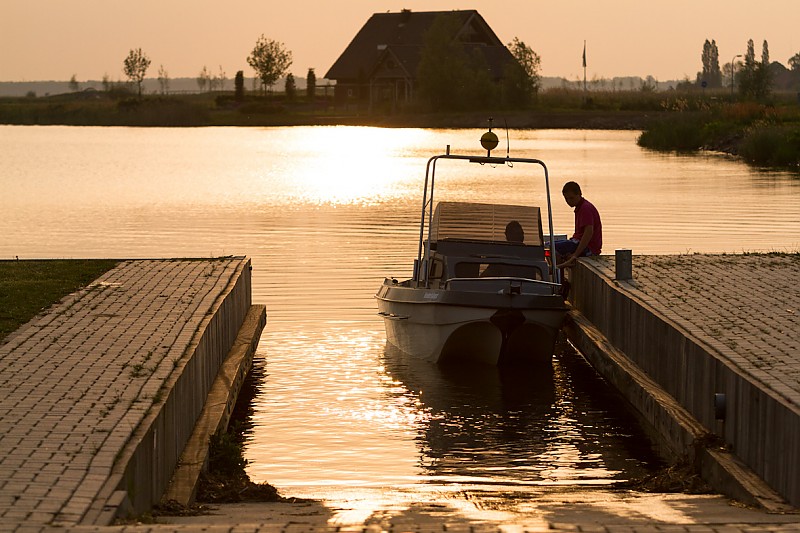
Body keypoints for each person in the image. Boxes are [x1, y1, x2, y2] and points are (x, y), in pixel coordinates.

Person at [554, 181, 602, 268]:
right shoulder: (580, 207)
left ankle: (557, 271)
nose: (569, 201)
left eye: (571, 198)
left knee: (552, 247)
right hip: (578, 242)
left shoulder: (585, 208)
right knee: (548, 245)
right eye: (566, 199)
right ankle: (558, 268)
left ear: (579, 194)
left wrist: (575, 254)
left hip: (589, 248)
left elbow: (588, 233)